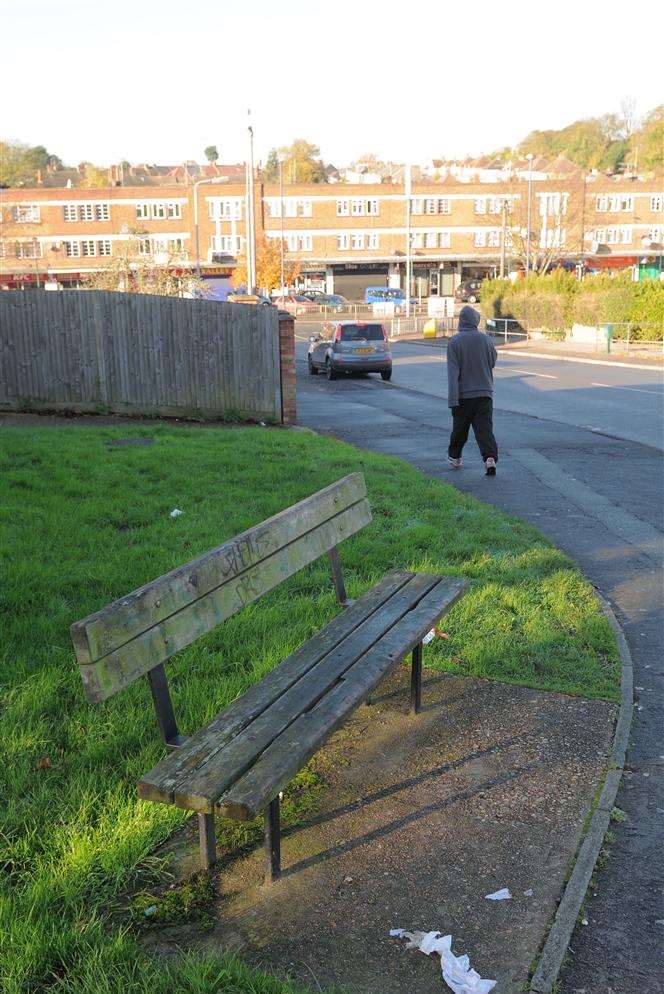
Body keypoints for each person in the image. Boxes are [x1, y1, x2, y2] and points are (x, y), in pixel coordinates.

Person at [446, 305, 498, 475]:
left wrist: (453, 400)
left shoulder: (454, 342)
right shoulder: (486, 340)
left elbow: (453, 374)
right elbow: (492, 360)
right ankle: (490, 458)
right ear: (476, 321)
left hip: (463, 396)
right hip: (484, 393)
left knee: (460, 429)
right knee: (484, 429)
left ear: (461, 321)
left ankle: (455, 457)